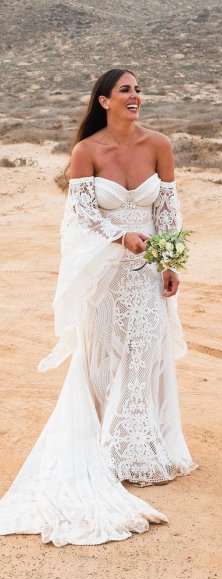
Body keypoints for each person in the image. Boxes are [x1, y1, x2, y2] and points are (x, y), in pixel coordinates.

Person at [0, 68, 197, 546]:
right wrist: (119, 235)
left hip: (147, 270)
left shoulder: (160, 145)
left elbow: (167, 211)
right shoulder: (85, 151)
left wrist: (171, 260)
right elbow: (82, 214)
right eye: (125, 90)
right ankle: (107, 449)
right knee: (107, 353)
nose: (135, 96)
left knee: (145, 353)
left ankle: (139, 448)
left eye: (138, 89)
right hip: (105, 272)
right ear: (104, 101)